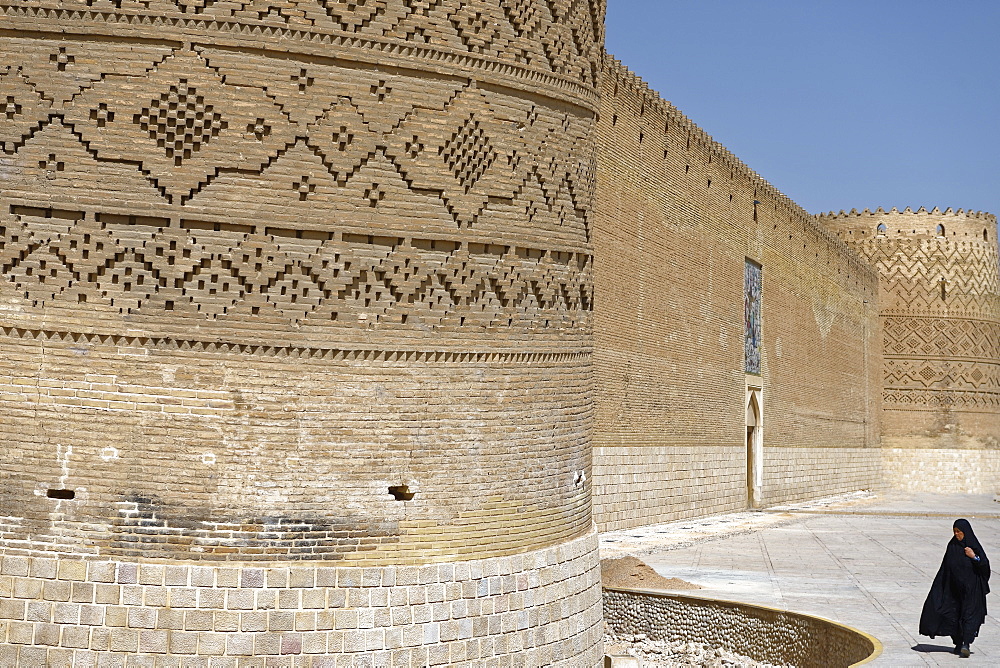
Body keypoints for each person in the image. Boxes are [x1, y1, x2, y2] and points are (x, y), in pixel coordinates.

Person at [919, 519, 991, 658]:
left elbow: (985, 567)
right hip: (954, 590)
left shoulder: (973, 546)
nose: (957, 534)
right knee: (953, 615)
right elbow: (946, 567)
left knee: (969, 615)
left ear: (966, 532)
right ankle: (958, 643)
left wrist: (974, 557)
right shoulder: (952, 546)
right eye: (955, 532)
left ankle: (966, 644)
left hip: (972, 590)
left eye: (959, 532)